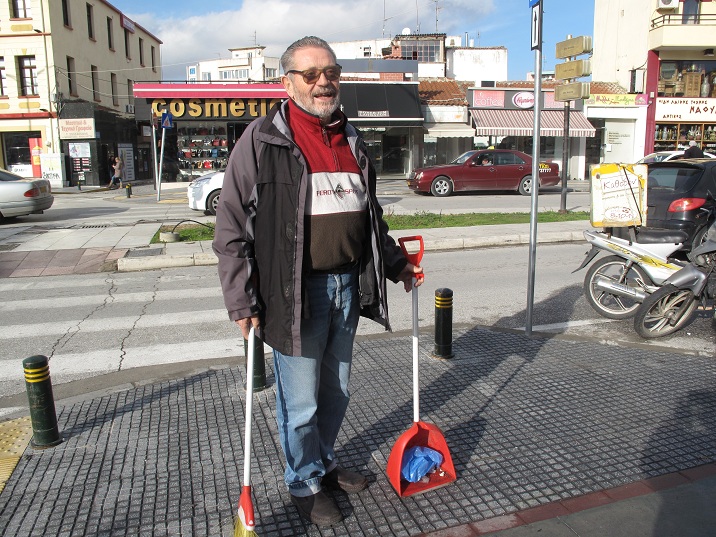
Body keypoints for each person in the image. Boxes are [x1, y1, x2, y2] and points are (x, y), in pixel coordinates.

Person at [213, 36, 423, 527]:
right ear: (288, 82)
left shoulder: (351, 138)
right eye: (310, 74)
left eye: (331, 72)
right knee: (301, 401)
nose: (323, 82)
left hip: (346, 287)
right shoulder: (263, 141)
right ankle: (303, 482)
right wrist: (241, 300)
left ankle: (324, 464)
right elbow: (230, 227)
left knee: (337, 391)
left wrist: (395, 263)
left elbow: (367, 215)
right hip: (295, 293)